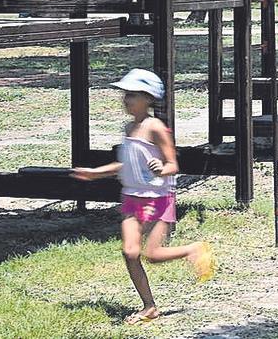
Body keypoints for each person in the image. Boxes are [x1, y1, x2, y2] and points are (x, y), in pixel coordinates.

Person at [72, 69, 215, 324]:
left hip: (158, 199)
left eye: (133, 94)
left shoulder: (155, 127)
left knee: (153, 254)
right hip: (131, 198)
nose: (126, 99)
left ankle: (193, 249)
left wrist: (163, 168)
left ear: (148, 98)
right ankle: (149, 306)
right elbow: (126, 164)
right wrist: (95, 173)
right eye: (125, 94)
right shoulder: (129, 127)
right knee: (130, 252)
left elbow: (173, 164)